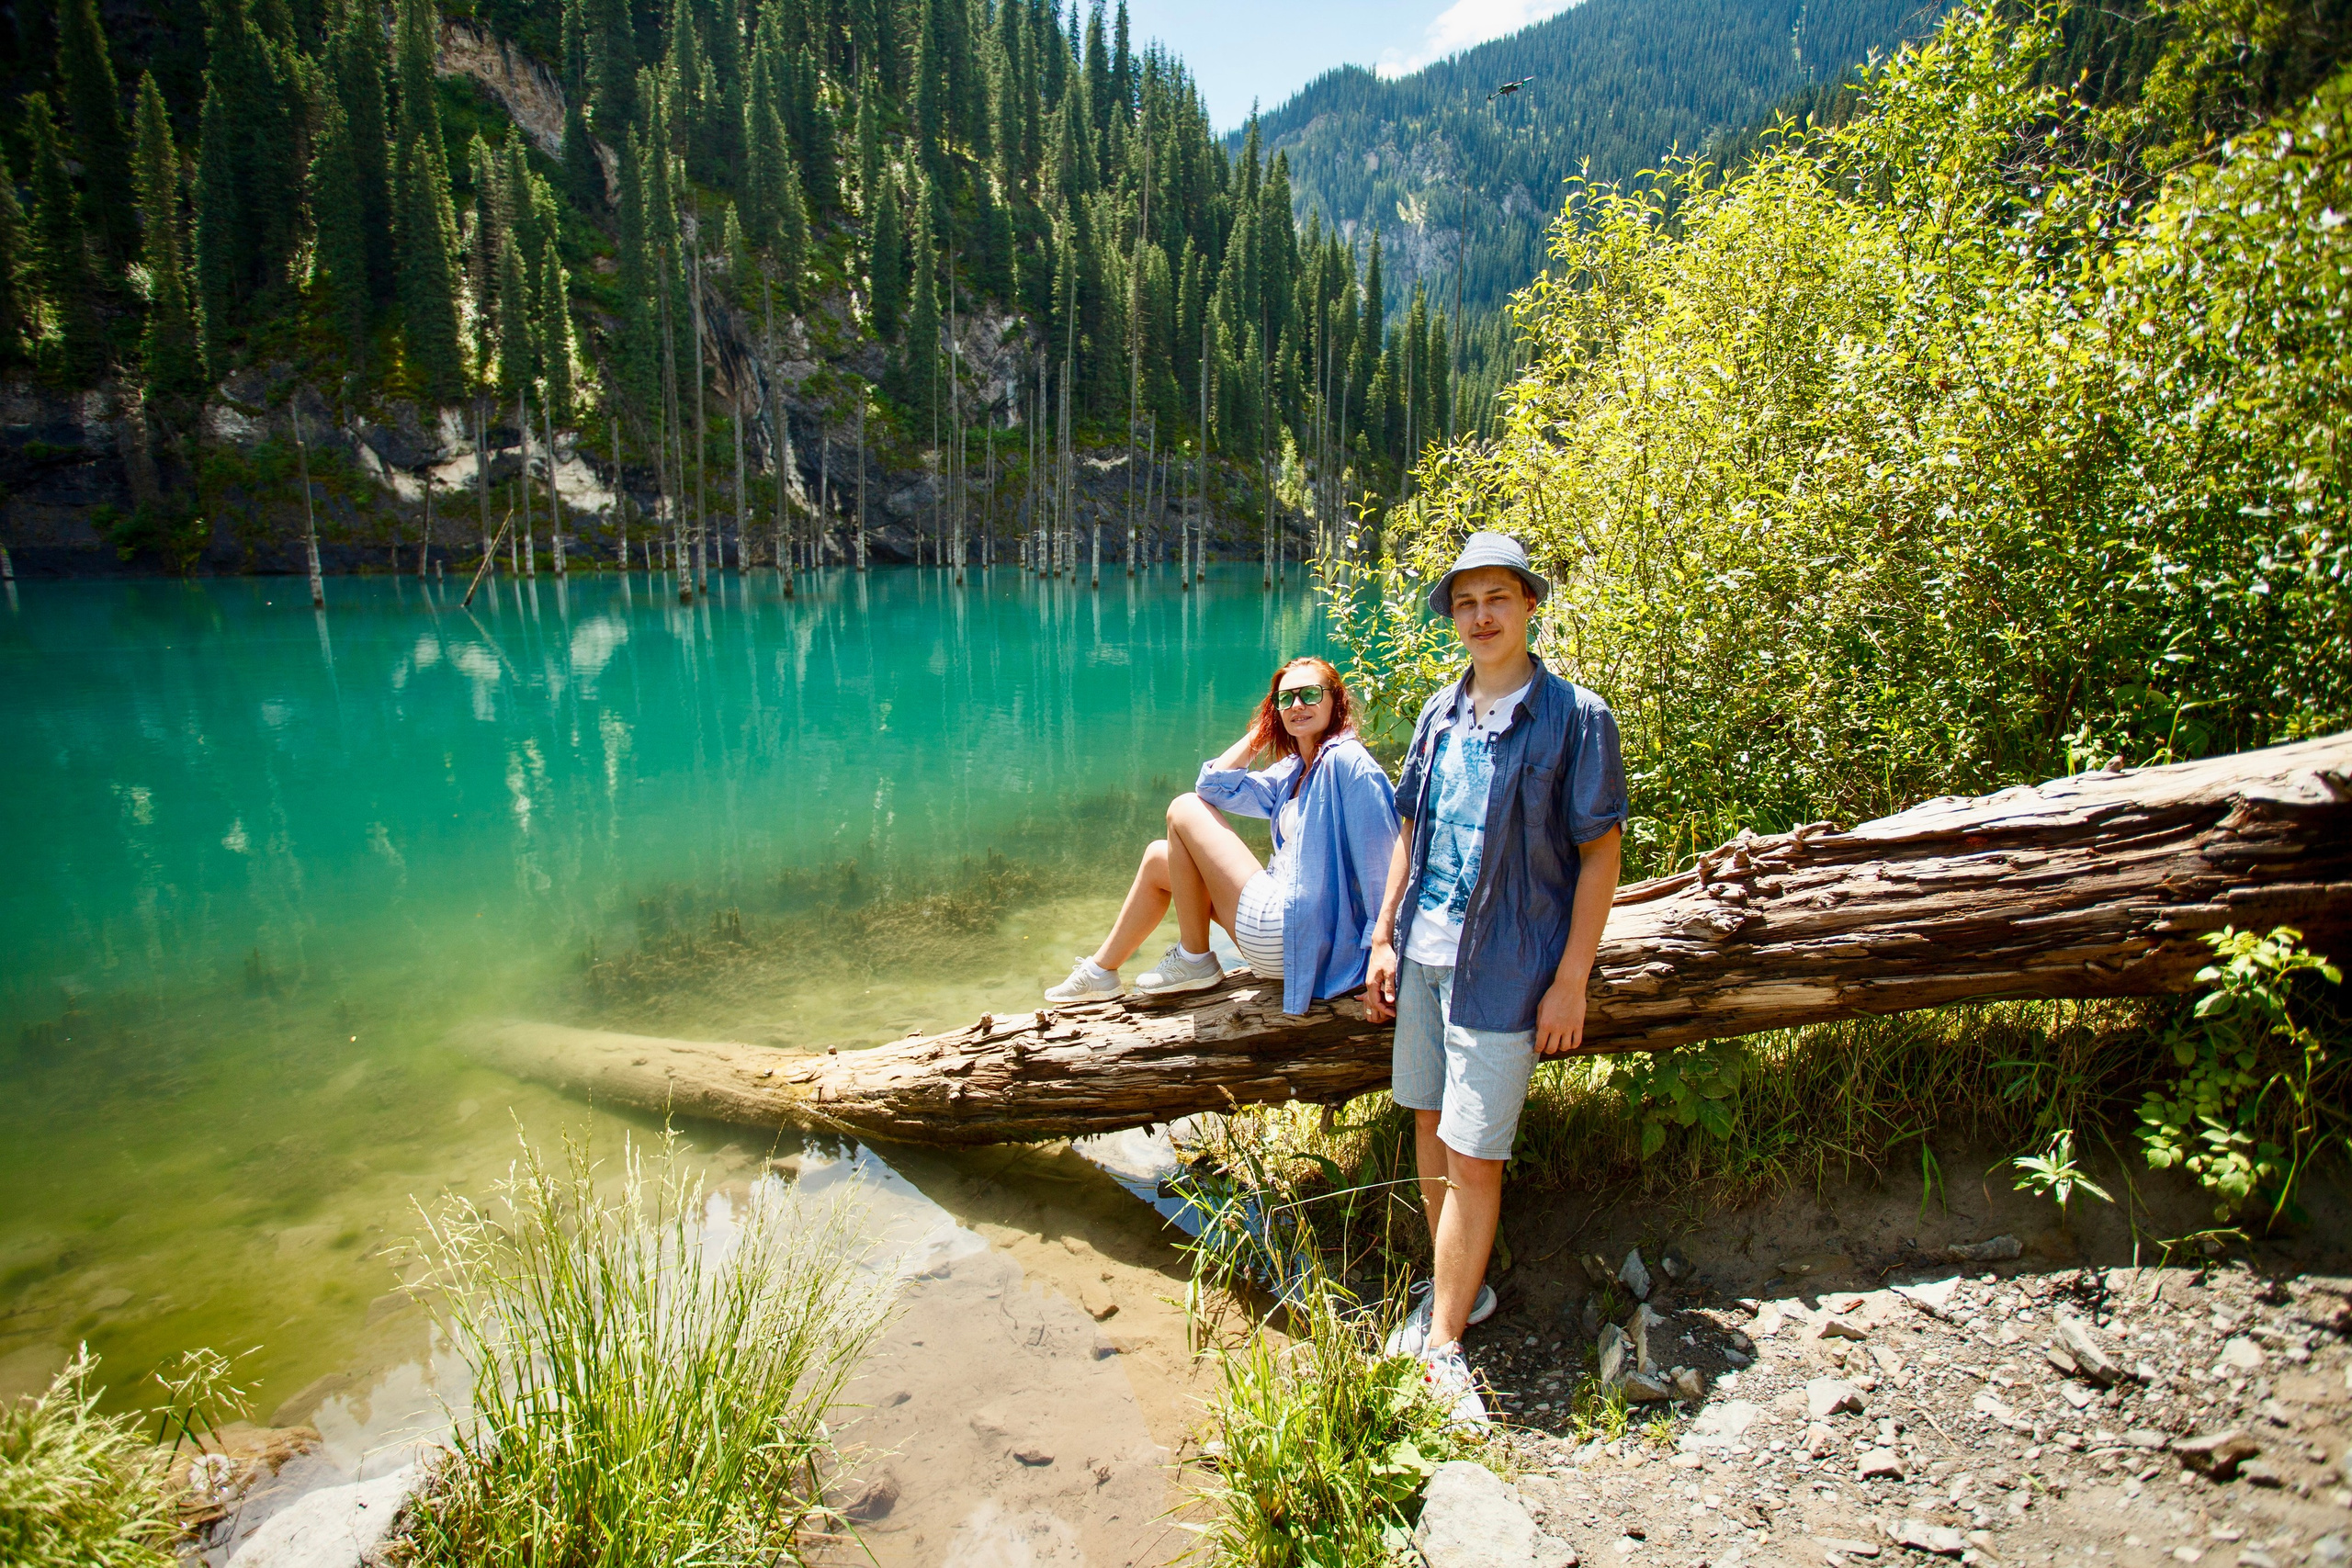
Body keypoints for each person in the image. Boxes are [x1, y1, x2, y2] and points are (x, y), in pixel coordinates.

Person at [1363, 532, 1628, 1424]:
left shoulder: (1574, 718)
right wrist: (1384, 939)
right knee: (1431, 1131)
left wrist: (1571, 981)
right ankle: (1459, 1297)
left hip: (1509, 969)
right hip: (1425, 958)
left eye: (1496, 599)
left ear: (1527, 607)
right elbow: (1408, 830)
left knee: (1476, 1157)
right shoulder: (1441, 712)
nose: (1480, 617)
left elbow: (1599, 853)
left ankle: (1442, 1352)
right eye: (1465, 602)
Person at [1045, 657, 1399, 1016]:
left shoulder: (1349, 764)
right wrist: (1262, 732)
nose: (1297, 705)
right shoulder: (1294, 771)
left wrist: (1381, 953)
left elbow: (1381, 870)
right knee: (1157, 857)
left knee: (1183, 808)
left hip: (1294, 931)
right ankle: (1101, 972)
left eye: (1310, 694)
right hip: (1284, 935)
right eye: (1285, 699)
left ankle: (1194, 958)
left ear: (1335, 701)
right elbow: (1214, 787)